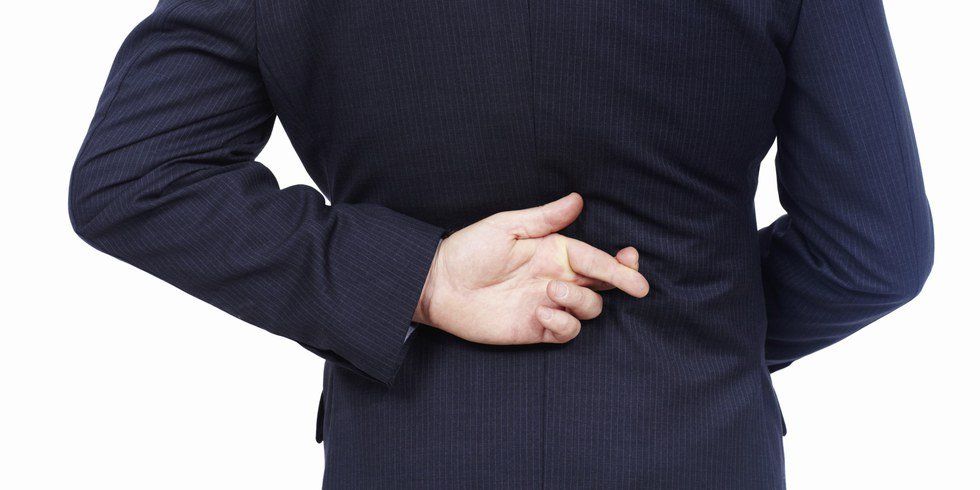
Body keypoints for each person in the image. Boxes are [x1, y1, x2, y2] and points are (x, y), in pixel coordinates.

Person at [69, 0, 933, 488]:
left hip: (409, 455)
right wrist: (695, 327)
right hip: (694, 449)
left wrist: (419, 281)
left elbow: (133, 176)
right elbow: (876, 249)